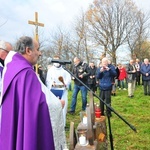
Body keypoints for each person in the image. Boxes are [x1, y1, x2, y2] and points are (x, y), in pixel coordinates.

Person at [0, 36, 65, 150]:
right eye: (37, 49)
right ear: (28, 50)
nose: (40, 53)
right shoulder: (26, 73)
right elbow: (35, 106)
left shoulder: (13, 67)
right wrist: (58, 104)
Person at [46, 55, 71, 128]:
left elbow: (68, 79)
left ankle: (63, 124)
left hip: (62, 91)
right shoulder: (50, 70)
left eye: (58, 60)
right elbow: (48, 80)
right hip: (54, 91)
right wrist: (51, 83)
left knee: (63, 107)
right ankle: (54, 124)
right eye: (55, 60)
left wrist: (65, 83)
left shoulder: (64, 71)